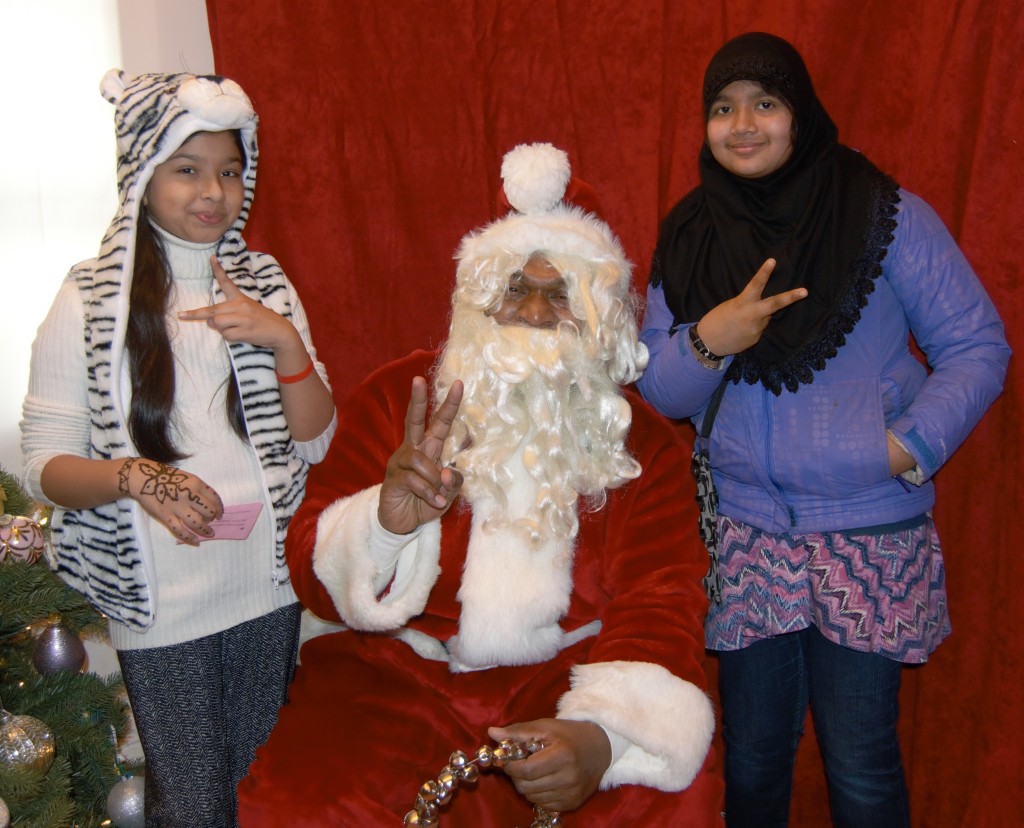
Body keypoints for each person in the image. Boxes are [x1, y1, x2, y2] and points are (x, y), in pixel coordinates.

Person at [237, 143, 723, 826]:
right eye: (513, 290)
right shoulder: (397, 400)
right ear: (478, 300)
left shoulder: (643, 443)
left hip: (568, 677)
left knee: (665, 804)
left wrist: (602, 734)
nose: (531, 313)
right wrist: (384, 525)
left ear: (600, 318)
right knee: (301, 802)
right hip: (396, 672)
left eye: (560, 295)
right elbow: (311, 572)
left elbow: (663, 600)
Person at [638, 32, 1011, 828]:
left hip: (868, 534)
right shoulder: (689, 232)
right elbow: (659, 388)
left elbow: (978, 346)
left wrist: (904, 448)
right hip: (747, 538)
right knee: (754, 762)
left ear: (799, 115)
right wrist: (713, 338)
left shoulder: (884, 214)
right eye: (722, 107)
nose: (743, 124)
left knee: (862, 764)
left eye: (764, 104)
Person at [20, 70, 337, 826]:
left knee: (256, 803)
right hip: (163, 602)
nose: (213, 191)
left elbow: (317, 438)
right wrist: (136, 479)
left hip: (267, 586)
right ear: (142, 173)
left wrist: (283, 340)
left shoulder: (263, 281)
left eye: (229, 171)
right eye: (187, 168)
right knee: (197, 809)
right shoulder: (92, 297)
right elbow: (44, 466)